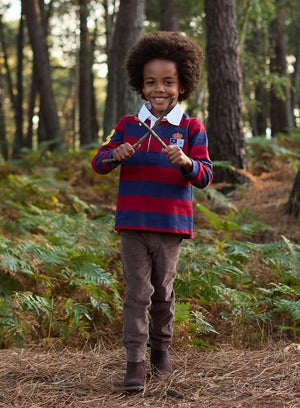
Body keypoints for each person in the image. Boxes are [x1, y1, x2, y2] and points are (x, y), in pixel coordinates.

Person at [91, 31, 213, 391]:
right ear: (140, 86)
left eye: (168, 82)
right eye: (150, 82)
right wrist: (116, 155)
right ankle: (134, 363)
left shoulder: (191, 128)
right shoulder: (128, 125)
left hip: (171, 226)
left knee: (162, 292)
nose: (159, 89)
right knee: (137, 294)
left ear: (183, 84)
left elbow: (205, 175)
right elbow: (98, 162)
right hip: (132, 224)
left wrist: (187, 162)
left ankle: (161, 353)